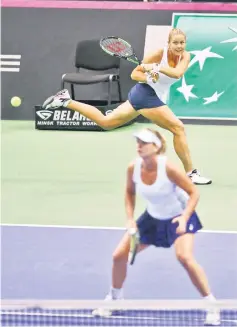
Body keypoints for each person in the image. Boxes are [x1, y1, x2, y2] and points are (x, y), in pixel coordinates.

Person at [42, 28, 211, 185]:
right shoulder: (158, 54)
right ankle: (191, 173)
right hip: (146, 95)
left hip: (147, 96)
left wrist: (156, 69)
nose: (179, 46)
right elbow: (135, 74)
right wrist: (148, 77)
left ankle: (66, 100)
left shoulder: (185, 56)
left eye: (182, 42)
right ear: (168, 43)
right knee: (178, 128)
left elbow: (177, 73)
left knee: (106, 122)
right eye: (176, 43)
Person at [92, 128, 220, 326]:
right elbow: (129, 192)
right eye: (138, 142)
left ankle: (211, 306)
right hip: (152, 218)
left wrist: (185, 217)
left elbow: (194, 192)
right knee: (118, 256)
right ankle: (115, 299)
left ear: (156, 146)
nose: (139, 146)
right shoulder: (133, 167)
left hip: (179, 216)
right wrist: (130, 219)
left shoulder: (169, 168)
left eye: (144, 142)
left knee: (184, 257)